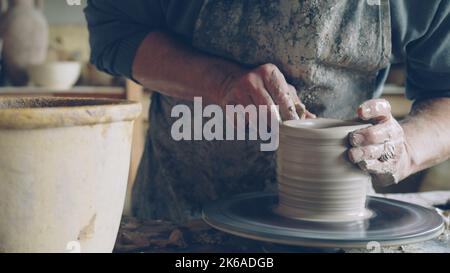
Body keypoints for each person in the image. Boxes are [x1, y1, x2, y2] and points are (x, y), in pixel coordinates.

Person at [85, 0, 450, 223]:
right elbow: (114, 31)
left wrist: (406, 150)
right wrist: (221, 82)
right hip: (185, 221)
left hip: (337, 221)